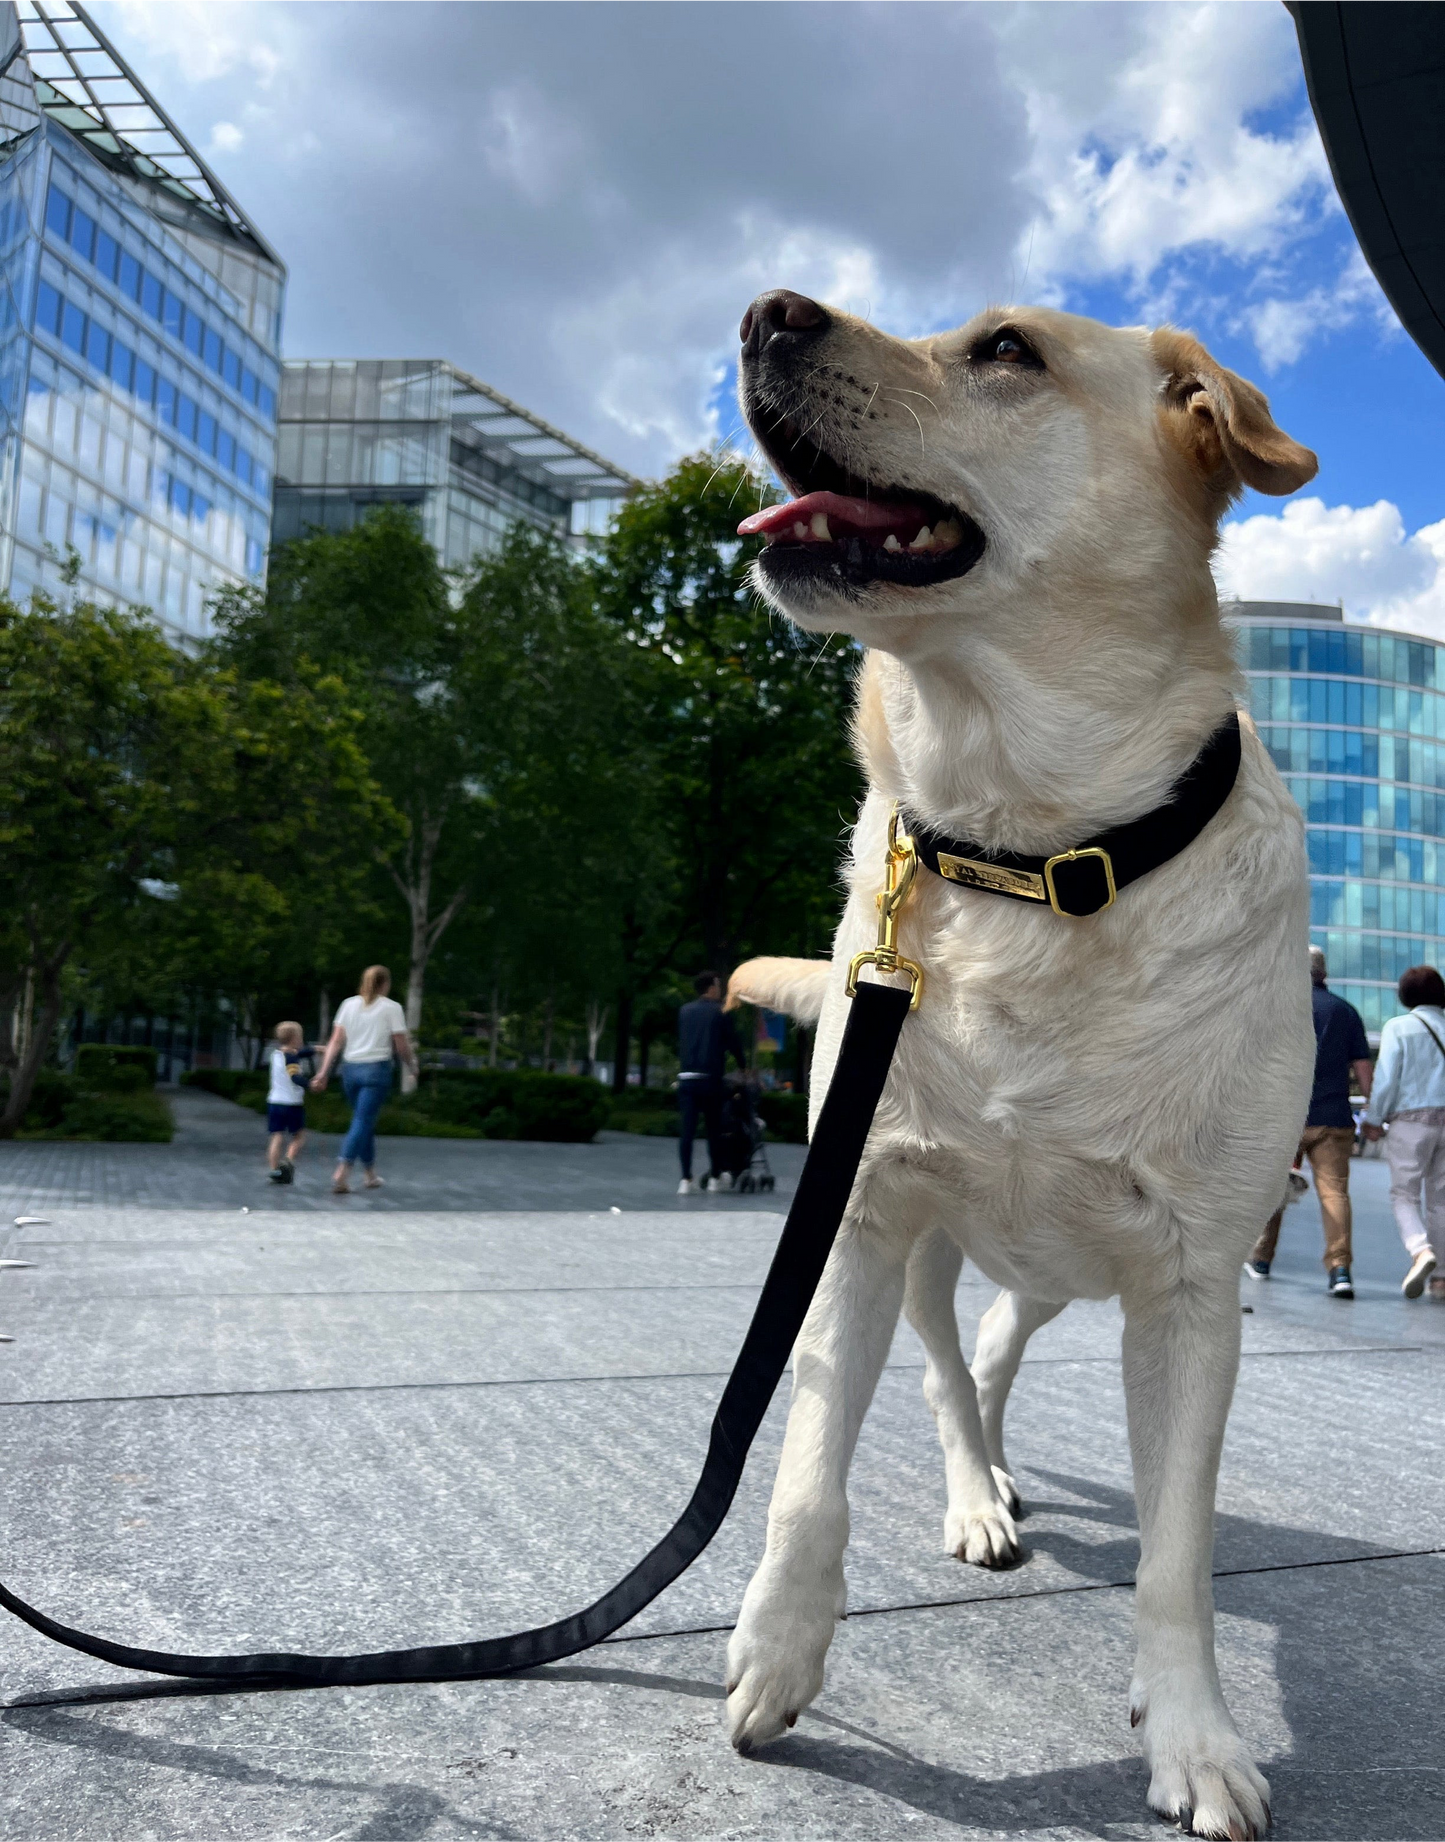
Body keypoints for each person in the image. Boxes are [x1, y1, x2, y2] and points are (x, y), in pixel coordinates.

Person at [1246, 945, 1371, 1297]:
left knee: (1274, 1187)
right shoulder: (1346, 1012)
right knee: (1334, 1193)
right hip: (1333, 1119)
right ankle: (1340, 1269)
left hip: (1283, 1116)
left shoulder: (1278, 1009)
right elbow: (1363, 1068)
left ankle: (1261, 1258)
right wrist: (1372, 1111)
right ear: (1324, 973)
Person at [1362, 964, 1445, 1299]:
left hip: (1410, 1122)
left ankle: (1420, 1250)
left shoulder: (1399, 1027)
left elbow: (1386, 1081)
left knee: (1404, 1194)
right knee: (1440, 1201)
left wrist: (1373, 1119)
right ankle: (1441, 1279)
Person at [310, 965, 417, 1195]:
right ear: (385, 984)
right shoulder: (392, 1008)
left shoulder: (348, 1005)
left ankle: (369, 1175)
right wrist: (413, 1065)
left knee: (363, 1121)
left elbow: (335, 1042)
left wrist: (323, 1072)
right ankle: (342, 1170)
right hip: (376, 1071)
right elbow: (401, 1045)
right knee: (362, 1121)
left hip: (351, 1071)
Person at [675, 970, 746, 1195]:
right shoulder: (720, 1012)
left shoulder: (684, 1012)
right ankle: (715, 1177)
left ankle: (685, 1179)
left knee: (686, 1131)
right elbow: (733, 1042)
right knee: (714, 1129)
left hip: (686, 1078)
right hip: (710, 1079)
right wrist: (743, 1067)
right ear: (711, 988)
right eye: (718, 986)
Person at [265, 1021, 312, 1185]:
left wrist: (318, 1049)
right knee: (299, 1135)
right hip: (292, 1103)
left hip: (274, 1102)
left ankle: (274, 1170)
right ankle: (288, 1160)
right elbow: (294, 1076)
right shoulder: (291, 1057)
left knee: (276, 1136)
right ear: (294, 1038)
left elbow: (301, 1053)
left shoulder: (276, 1054)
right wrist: (311, 1084)